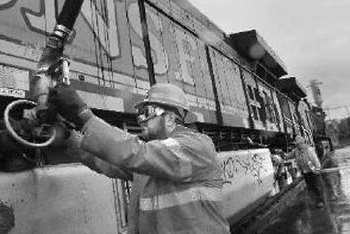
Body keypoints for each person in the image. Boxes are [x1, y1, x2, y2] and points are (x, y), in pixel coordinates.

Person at [48, 82, 231, 234]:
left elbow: (138, 153)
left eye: (147, 112)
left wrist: (83, 116)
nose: (140, 119)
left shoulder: (197, 146)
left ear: (170, 119)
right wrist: (68, 138)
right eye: (139, 114)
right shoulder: (154, 160)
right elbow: (108, 161)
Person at [286, 135, 324, 208]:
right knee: (310, 187)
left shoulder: (309, 150)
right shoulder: (296, 150)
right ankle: (316, 200)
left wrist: (318, 169)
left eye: (298, 144)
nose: (297, 145)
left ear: (302, 143)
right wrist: (284, 156)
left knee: (316, 186)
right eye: (296, 144)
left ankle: (320, 201)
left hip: (313, 171)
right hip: (305, 172)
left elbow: (316, 160)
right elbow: (289, 156)